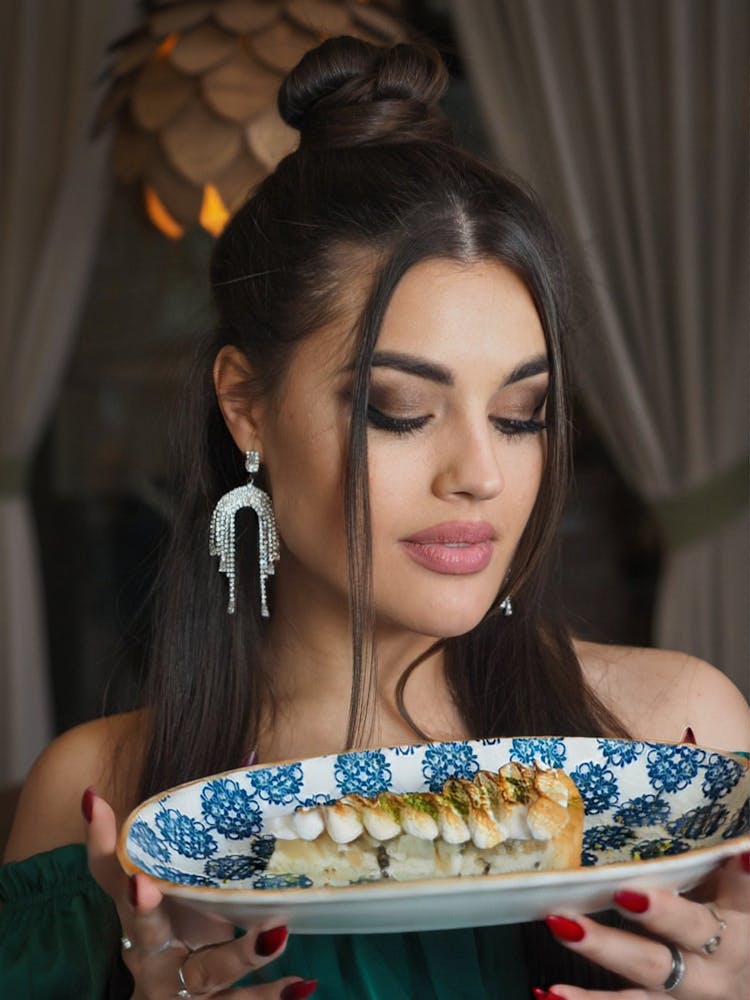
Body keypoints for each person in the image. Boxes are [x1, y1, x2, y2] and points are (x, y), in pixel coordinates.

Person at [2, 35, 749, 1000]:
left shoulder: (679, 745)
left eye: (521, 415)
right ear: (247, 406)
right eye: (398, 409)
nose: (481, 475)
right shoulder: (106, 799)